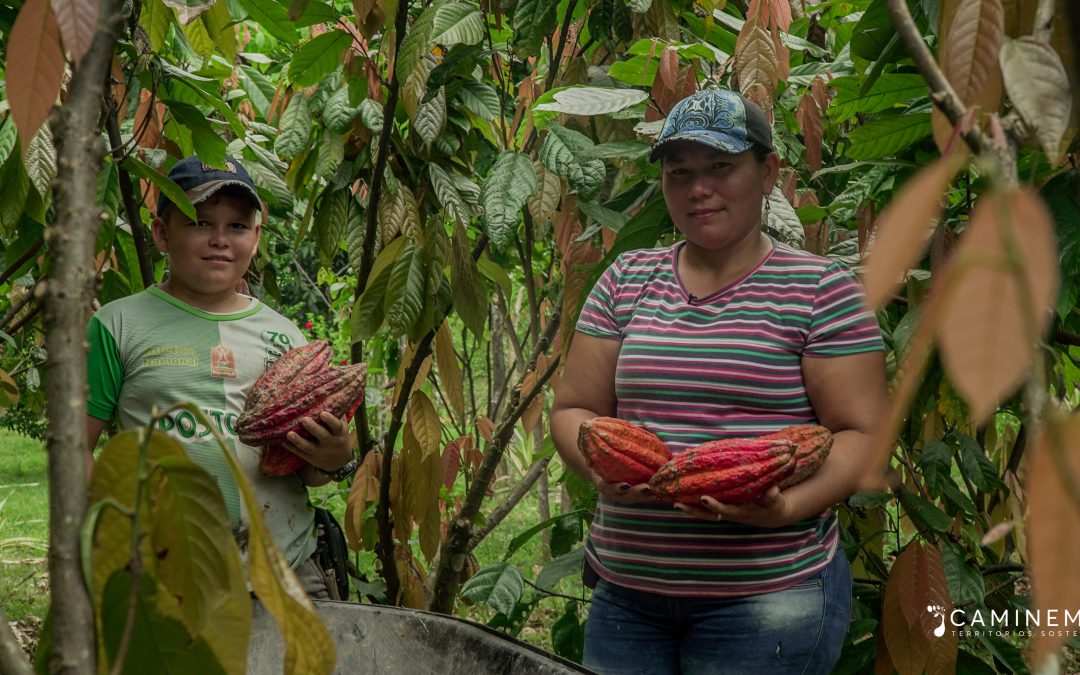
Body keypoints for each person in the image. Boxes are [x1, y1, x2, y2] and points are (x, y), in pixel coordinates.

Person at [550, 89, 888, 674]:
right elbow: (573, 410)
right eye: (679, 173)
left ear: (768, 172)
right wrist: (601, 468)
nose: (697, 189)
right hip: (628, 594)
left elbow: (860, 434)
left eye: (721, 168)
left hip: (769, 596)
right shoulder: (626, 279)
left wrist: (788, 508)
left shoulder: (821, 289)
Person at [85, 155, 361, 599]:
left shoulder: (283, 335)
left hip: (287, 569)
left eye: (236, 226)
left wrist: (335, 457)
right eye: (199, 222)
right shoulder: (117, 325)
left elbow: (301, 469)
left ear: (255, 239)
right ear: (161, 233)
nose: (219, 240)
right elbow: (76, 448)